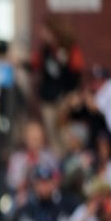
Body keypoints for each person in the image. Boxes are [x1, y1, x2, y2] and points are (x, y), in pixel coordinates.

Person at [28, 16, 84, 152]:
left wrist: (74, 95)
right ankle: (58, 163)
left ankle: (70, 159)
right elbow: (34, 64)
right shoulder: (45, 50)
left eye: (45, 31)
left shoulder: (70, 49)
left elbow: (77, 73)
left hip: (65, 99)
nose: (42, 34)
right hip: (48, 99)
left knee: (64, 132)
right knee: (52, 134)